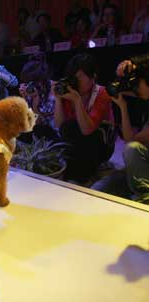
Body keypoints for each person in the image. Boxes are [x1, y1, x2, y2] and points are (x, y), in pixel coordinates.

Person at [92, 54, 149, 203]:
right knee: (97, 189)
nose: (134, 87)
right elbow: (129, 140)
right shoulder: (145, 100)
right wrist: (122, 106)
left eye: (137, 82)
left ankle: (144, 203)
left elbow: (132, 144)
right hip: (142, 168)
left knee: (132, 149)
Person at [53, 53, 115, 183]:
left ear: (93, 77)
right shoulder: (70, 91)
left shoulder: (102, 93)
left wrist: (77, 101)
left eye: (80, 78)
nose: (76, 82)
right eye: (74, 78)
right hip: (77, 143)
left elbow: (87, 130)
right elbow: (59, 126)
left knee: (73, 127)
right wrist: (58, 99)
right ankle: (74, 171)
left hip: (100, 144)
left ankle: (82, 174)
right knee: (59, 131)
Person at [19, 53, 58, 141]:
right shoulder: (31, 89)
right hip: (39, 131)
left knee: (39, 130)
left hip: (54, 133)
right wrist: (25, 98)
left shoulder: (55, 89)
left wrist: (36, 100)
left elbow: (56, 124)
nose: (30, 84)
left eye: (33, 81)